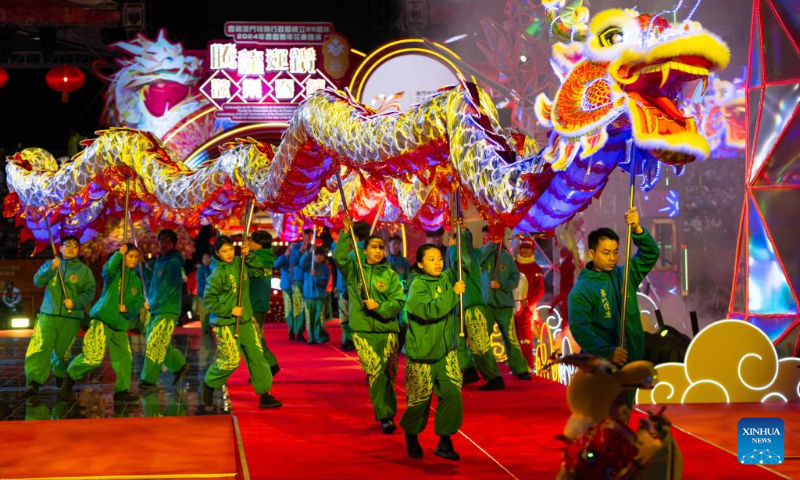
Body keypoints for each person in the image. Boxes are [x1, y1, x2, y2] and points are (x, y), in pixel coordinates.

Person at [334, 219, 405, 434]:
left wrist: (380, 306)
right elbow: (339, 258)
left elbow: (398, 302)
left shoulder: (390, 275)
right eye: (373, 247)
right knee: (375, 371)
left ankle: (388, 412)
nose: (377, 251)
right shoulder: (355, 271)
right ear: (364, 251)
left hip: (388, 329)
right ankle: (386, 416)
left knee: (389, 374)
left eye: (380, 247)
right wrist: (346, 234)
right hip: (363, 330)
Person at [568, 207, 659, 369]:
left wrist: (637, 229)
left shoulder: (625, 275)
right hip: (603, 367)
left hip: (635, 361)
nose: (612, 258)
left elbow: (650, 254)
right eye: (606, 252)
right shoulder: (581, 291)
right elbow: (581, 330)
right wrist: (608, 351)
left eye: (615, 252)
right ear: (591, 253)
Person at [400, 243, 466, 461]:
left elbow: (463, 262)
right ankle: (411, 434)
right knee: (419, 400)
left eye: (439, 258)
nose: (438, 263)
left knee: (452, 395)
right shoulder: (417, 285)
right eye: (431, 259)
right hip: (423, 353)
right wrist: (452, 295)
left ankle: (445, 441)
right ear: (420, 264)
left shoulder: (447, 278)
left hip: (447, 351)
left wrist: (461, 236)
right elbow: (428, 310)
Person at [202, 235, 282, 409]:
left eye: (231, 249)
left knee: (257, 356)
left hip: (245, 320)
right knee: (231, 361)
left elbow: (258, 271)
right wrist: (229, 310)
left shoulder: (241, 262)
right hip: (225, 323)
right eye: (224, 251)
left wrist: (250, 255)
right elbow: (209, 300)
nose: (229, 253)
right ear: (217, 253)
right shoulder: (217, 274)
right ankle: (209, 383)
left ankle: (265, 393)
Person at [62, 244, 144, 402]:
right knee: (93, 358)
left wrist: (126, 309)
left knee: (125, 359)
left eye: (135, 257)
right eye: (130, 256)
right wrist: (118, 255)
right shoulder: (115, 273)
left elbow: (137, 305)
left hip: (120, 325)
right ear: (124, 257)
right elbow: (107, 270)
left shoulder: (136, 281)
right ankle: (70, 376)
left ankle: (122, 391)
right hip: (102, 320)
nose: (133, 260)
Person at [25, 235, 96, 397]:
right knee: (40, 347)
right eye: (67, 244)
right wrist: (50, 269)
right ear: (61, 248)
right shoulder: (52, 264)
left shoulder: (84, 271)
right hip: (48, 315)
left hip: (70, 318)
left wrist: (76, 302)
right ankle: (34, 382)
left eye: (75, 246)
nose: (71, 248)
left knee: (62, 352)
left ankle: (59, 373)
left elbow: (90, 292)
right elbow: (37, 281)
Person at [451, 227, 504, 390]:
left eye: (456, 238)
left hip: (472, 305)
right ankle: (468, 370)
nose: (454, 241)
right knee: (457, 342)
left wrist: (462, 231)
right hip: (461, 305)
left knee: (479, 344)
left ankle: (494, 377)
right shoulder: (460, 254)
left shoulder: (469, 255)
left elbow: (465, 257)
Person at [139, 229, 189, 392]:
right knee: (159, 343)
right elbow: (150, 278)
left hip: (166, 309)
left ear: (174, 243)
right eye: (161, 240)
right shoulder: (161, 261)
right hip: (157, 309)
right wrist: (140, 265)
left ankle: (148, 380)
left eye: (167, 240)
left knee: (155, 344)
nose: (163, 243)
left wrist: (152, 303)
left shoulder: (173, 263)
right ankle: (179, 365)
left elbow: (167, 289)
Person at [480, 228, 531, 380]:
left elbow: (515, 279)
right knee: (482, 339)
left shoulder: (507, 258)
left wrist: (501, 284)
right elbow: (478, 262)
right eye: (486, 237)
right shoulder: (482, 254)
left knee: (511, 338)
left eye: (492, 236)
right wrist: (490, 246)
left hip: (504, 305)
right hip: (487, 304)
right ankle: (488, 372)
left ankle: (521, 369)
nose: (489, 239)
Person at [332, 221, 370, 351]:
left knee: (347, 318)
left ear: (355, 237)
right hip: (370, 294)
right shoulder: (372, 254)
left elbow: (339, 260)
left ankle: (349, 340)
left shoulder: (353, 255)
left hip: (351, 293)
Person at [248, 230, 280, 376]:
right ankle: (270, 365)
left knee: (255, 340)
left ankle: (266, 368)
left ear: (259, 245)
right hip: (260, 303)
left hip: (253, 303)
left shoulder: (254, 260)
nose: (248, 243)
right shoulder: (267, 259)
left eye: (251, 241)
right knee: (257, 337)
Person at [515, 238, 544, 369]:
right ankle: (517, 365)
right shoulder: (513, 265)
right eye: (523, 248)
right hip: (513, 308)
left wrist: (529, 301)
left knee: (525, 338)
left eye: (528, 249)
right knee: (514, 337)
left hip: (527, 310)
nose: (525, 251)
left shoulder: (536, 268)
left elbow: (540, 289)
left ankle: (527, 365)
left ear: (532, 251)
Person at [300, 246, 331, 344]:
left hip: (319, 298)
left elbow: (323, 282)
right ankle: (311, 338)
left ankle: (320, 337)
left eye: (321, 255)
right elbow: (301, 263)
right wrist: (309, 252)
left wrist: (315, 277)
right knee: (309, 319)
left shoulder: (325, 268)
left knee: (319, 318)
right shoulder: (309, 265)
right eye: (317, 255)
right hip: (308, 297)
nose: (318, 257)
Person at [289, 229, 314, 342]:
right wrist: (301, 250)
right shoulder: (295, 247)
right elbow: (294, 262)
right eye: (307, 233)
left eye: (311, 233)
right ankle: (298, 332)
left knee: (308, 307)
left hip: (310, 280)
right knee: (299, 307)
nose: (309, 236)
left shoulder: (314, 247)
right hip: (299, 280)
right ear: (302, 235)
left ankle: (312, 334)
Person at [386, 235, 410, 348]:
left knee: (402, 321)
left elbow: (408, 277)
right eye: (394, 243)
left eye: (398, 244)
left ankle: (400, 345)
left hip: (402, 295)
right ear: (389, 244)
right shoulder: (384, 261)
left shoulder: (405, 262)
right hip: (388, 296)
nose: (396, 246)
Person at [273, 245, 296, 339]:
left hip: (298, 287)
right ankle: (291, 330)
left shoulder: (297, 258)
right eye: (290, 248)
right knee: (289, 309)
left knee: (297, 309)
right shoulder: (284, 259)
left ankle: (298, 330)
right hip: (287, 287)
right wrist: (284, 255)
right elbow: (275, 265)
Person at [195, 253, 212, 333]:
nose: (206, 260)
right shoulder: (201, 269)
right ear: (202, 260)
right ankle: (205, 328)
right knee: (203, 311)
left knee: (210, 311)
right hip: (202, 294)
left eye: (208, 258)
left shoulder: (212, 268)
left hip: (211, 294)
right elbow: (200, 281)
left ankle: (209, 326)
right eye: (204, 258)